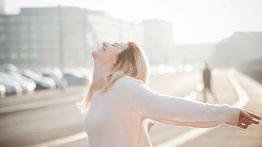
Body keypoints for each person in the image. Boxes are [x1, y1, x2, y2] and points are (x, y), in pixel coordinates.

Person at [77, 42, 261, 147]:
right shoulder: (98, 94)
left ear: (122, 61)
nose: (104, 43)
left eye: (114, 45)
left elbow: (172, 108)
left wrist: (228, 113)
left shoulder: (126, 87)